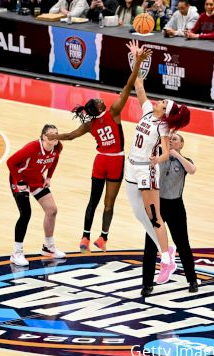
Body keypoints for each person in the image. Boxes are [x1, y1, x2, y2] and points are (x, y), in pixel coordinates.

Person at [46, 40, 148, 253]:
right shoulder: (113, 112)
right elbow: (129, 85)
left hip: (102, 160)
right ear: (98, 107)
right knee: (107, 203)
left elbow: (71, 136)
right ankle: (101, 238)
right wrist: (137, 63)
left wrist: (55, 136)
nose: (100, 99)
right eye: (98, 100)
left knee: (94, 201)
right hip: (113, 161)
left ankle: (87, 237)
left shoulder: (90, 123)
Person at [126, 45, 191, 286]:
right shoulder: (146, 112)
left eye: (162, 103)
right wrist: (137, 59)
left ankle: (166, 258)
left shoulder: (163, 127)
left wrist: (158, 160)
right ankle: (167, 250)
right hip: (131, 167)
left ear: (165, 113)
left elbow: (166, 151)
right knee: (138, 213)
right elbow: (138, 85)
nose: (158, 102)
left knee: (154, 217)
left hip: (146, 170)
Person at [141, 133, 198, 296]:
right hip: (157, 204)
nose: (171, 141)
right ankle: (147, 284)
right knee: (151, 244)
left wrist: (175, 154)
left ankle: (192, 280)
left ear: (181, 145)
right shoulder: (159, 155)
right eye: (170, 138)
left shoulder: (185, 160)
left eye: (175, 139)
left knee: (183, 243)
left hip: (175, 205)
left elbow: (192, 170)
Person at [7, 124, 66, 266]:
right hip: (19, 178)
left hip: (36, 180)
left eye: (56, 133)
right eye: (51, 134)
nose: (55, 136)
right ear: (44, 137)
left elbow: (55, 159)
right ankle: (17, 253)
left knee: (52, 210)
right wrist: (20, 181)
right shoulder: (33, 147)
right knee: (26, 213)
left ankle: (48, 247)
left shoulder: (58, 147)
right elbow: (10, 162)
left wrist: (49, 177)